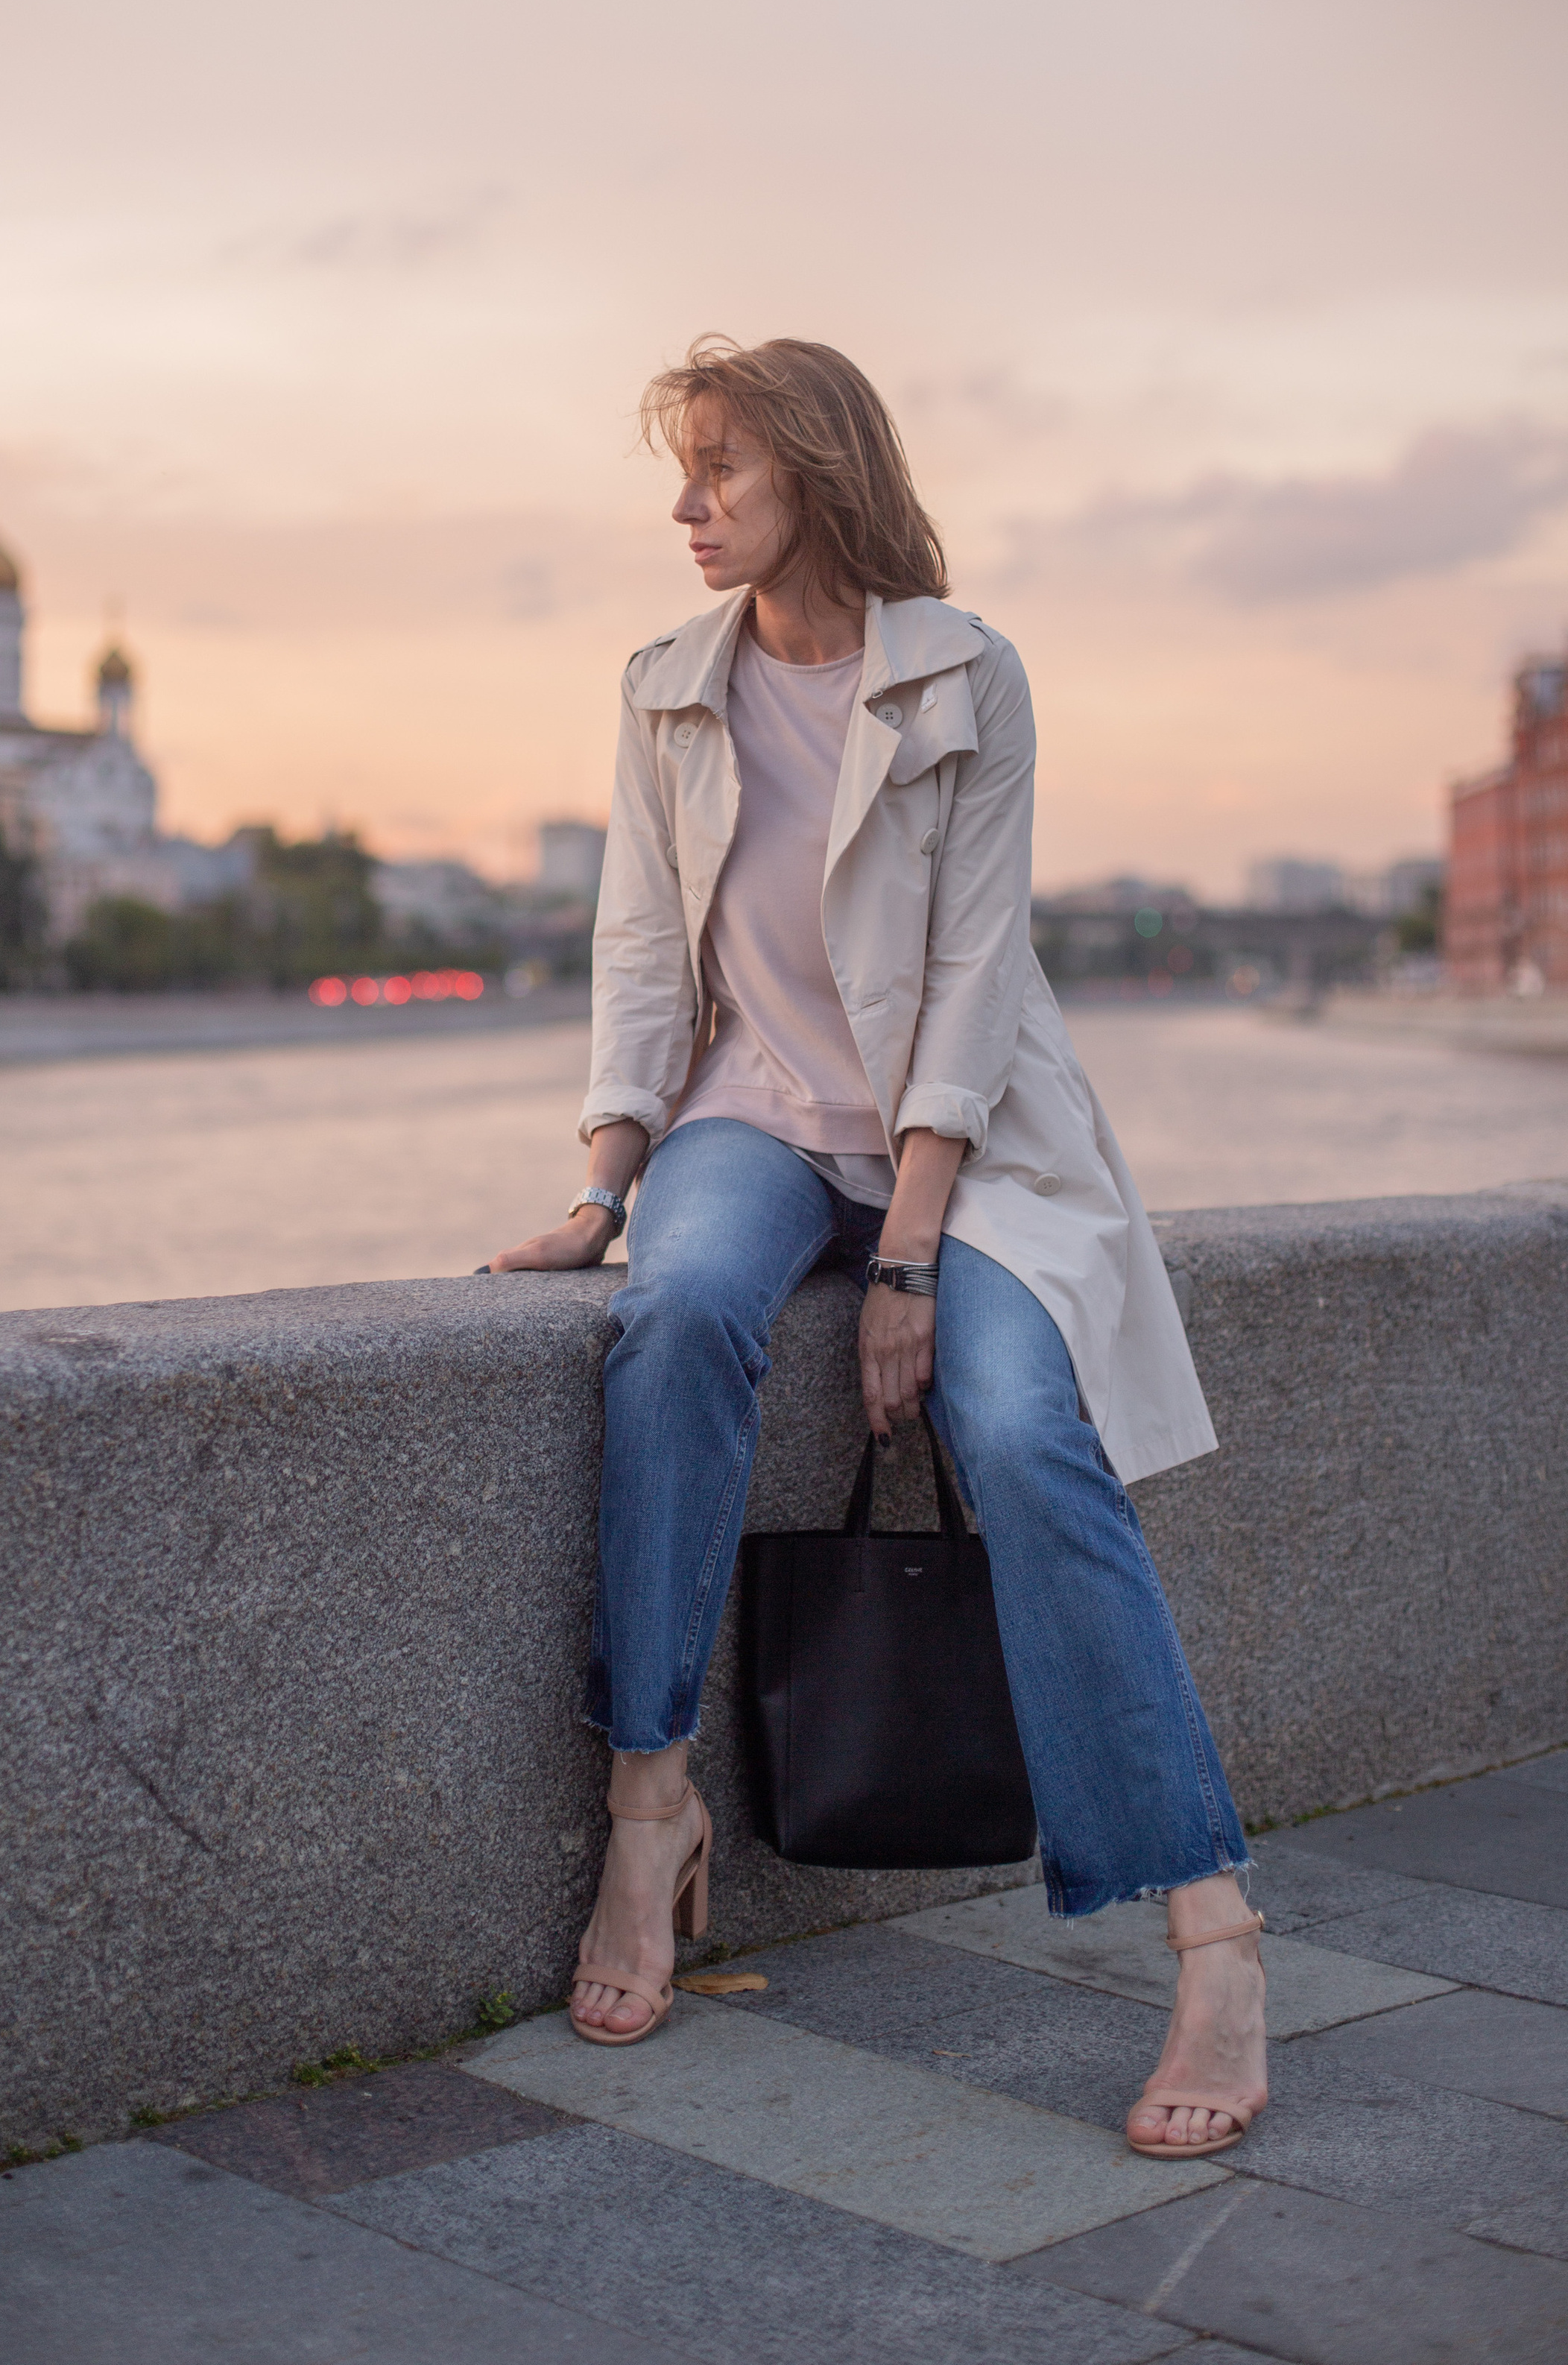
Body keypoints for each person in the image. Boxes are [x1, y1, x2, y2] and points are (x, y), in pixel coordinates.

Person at [490, 335, 1267, 2159]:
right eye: (681, 475)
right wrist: (605, 1184)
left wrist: (908, 1256)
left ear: (816, 478)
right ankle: (648, 1804)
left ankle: (1209, 1927)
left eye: (719, 475)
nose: (685, 511)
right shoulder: (665, 685)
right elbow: (635, 952)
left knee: (1013, 1428)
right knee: (675, 1312)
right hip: (746, 1120)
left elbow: (976, 980)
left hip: (962, 1148)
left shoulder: (961, 677)